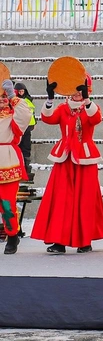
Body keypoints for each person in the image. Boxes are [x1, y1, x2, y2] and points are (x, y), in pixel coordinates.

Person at [31, 77, 103, 254]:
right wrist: (50, 99)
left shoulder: (90, 108)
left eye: (82, 89)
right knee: (61, 199)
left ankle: (84, 241)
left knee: (85, 200)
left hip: (85, 159)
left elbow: (95, 119)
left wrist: (87, 100)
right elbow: (47, 118)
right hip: (64, 158)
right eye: (75, 89)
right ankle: (59, 241)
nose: (78, 93)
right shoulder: (63, 108)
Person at [0, 79, 32, 254]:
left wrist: (12, 95)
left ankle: (12, 235)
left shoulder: (14, 116)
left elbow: (25, 114)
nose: (3, 99)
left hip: (7, 161)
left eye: (5, 96)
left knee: (6, 203)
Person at [14, 82, 36, 182]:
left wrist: (33, 123)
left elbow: (32, 113)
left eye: (23, 91)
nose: (21, 92)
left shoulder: (28, 100)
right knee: (19, 147)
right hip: (19, 127)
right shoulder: (15, 101)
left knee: (26, 147)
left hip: (28, 127)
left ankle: (26, 166)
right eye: (20, 91)